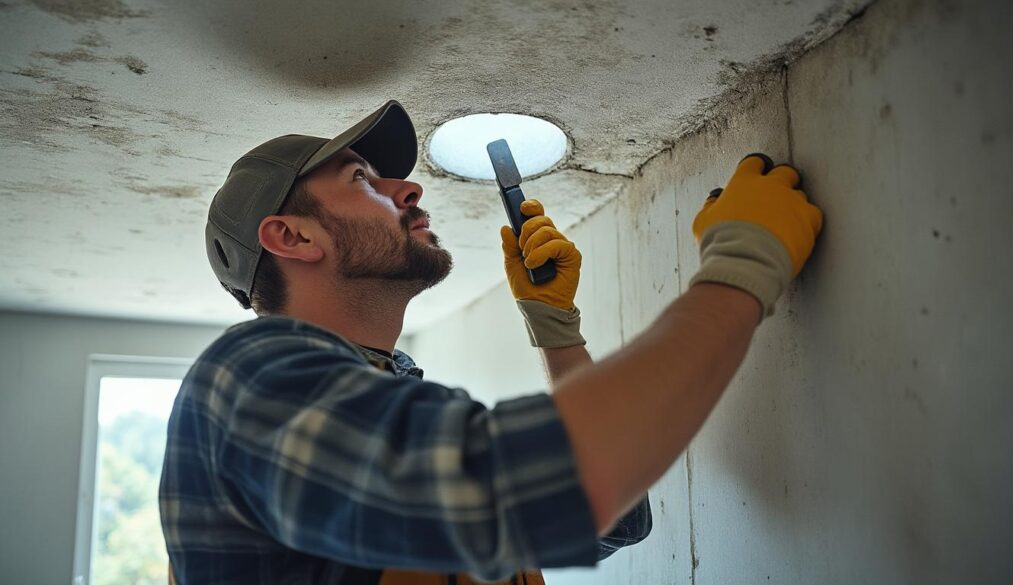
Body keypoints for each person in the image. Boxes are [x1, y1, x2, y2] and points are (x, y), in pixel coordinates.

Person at [159, 100, 823, 585]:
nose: (409, 187)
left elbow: (616, 516)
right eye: (362, 179)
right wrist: (742, 266)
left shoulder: (392, 388)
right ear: (294, 237)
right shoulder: (247, 378)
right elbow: (525, 490)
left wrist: (556, 329)